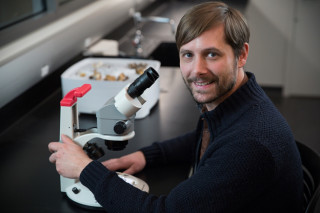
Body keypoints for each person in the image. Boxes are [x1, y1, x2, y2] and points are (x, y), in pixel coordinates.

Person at [49, 2, 303, 212]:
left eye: (212, 54)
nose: (197, 71)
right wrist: (145, 156)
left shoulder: (250, 143)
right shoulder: (239, 104)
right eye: (188, 55)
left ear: (242, 54)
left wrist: (85, 169)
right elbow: (206, 138)